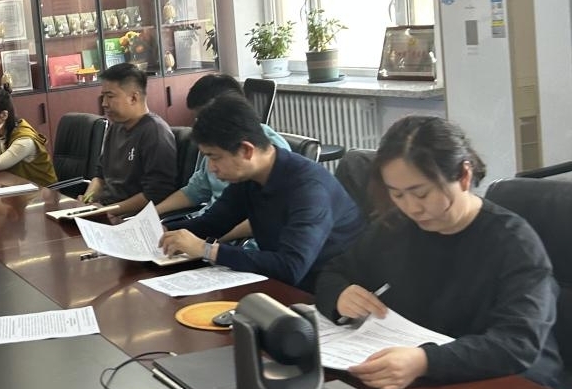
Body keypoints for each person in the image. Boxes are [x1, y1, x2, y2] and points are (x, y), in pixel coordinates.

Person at [315, 115, 561, 389]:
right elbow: (335, 272)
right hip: (426, 376)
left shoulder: (514, 243)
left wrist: (425, 361)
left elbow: (518, 343)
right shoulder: (397, 226)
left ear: (464, 176)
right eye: (397, 195)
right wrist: (340, 295)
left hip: (511, 385)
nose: (412, 208)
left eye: (421, 194)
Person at [159, 94, 364, 289]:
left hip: (330, 292)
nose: (211, 168)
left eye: (215, 157)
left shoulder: (309, 188)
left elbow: (290, 267)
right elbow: (212, 223)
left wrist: (206, 250)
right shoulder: (250, 178)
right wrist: (163, 231)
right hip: (281, 283)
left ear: (246, 150)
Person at [155, 75, 291, 246]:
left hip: (238, 244)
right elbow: (195, 192)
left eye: (203, 117)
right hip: (208, 230)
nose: (199, 125)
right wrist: (152, 215)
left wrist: (208, 245)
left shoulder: (270, 153)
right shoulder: (216, 147)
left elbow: (264, 219)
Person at [80, 63, 177, 215]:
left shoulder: (155, 132)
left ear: (133, 98)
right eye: (103, 96)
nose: (104, 103)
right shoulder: (116, 126)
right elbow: (100, 176)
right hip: (105, 210)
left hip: (129, 216)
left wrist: (107, 211)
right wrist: (87, 200)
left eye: (110, 96)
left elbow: (155, 194)